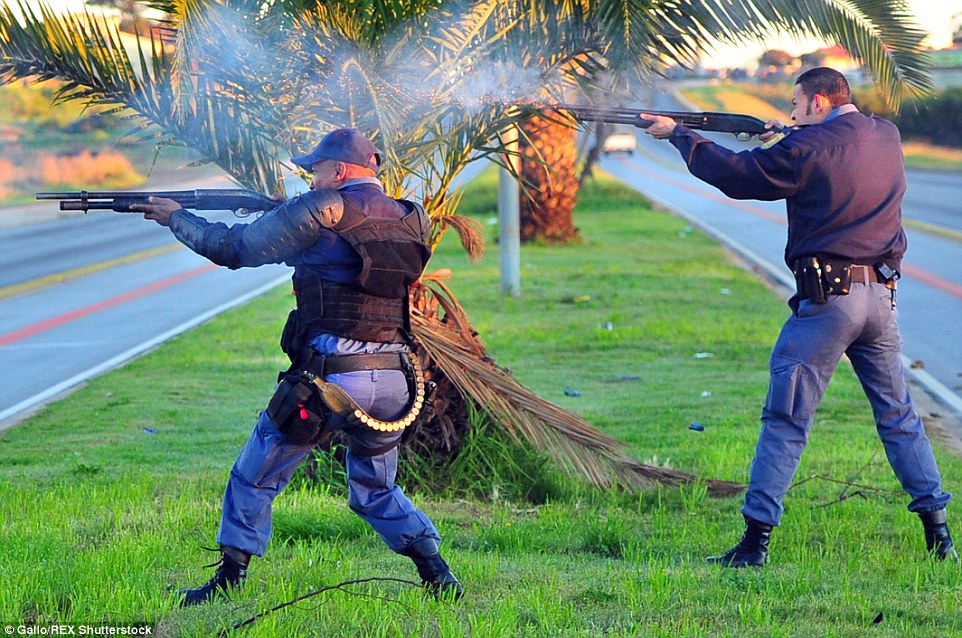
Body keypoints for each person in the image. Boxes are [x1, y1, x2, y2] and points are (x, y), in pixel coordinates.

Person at [640, 67, 957, 567]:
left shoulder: (806, 149)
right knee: (899, 417)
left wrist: (681, 136)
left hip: (828, 302)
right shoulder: (886, 136)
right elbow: (839, 147)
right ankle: (939, 537)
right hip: (881, 298)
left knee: (786, 419)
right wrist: (790, 134)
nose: (789, 112)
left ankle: (754, 545)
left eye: (796, 104)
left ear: (819, 102)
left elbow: (739, 176)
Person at [132, 128, 463, 604]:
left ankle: (227, 582)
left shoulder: (321, 210)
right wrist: (284, 213)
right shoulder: (413, 218)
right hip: (396, 381)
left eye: (316, 171)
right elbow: (356, 240)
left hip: (331, 381)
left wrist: (176, 218)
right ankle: (438, 574)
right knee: (375, 488)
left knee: (256, 471)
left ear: (340, 171)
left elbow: (233, 248)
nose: (310, 179)